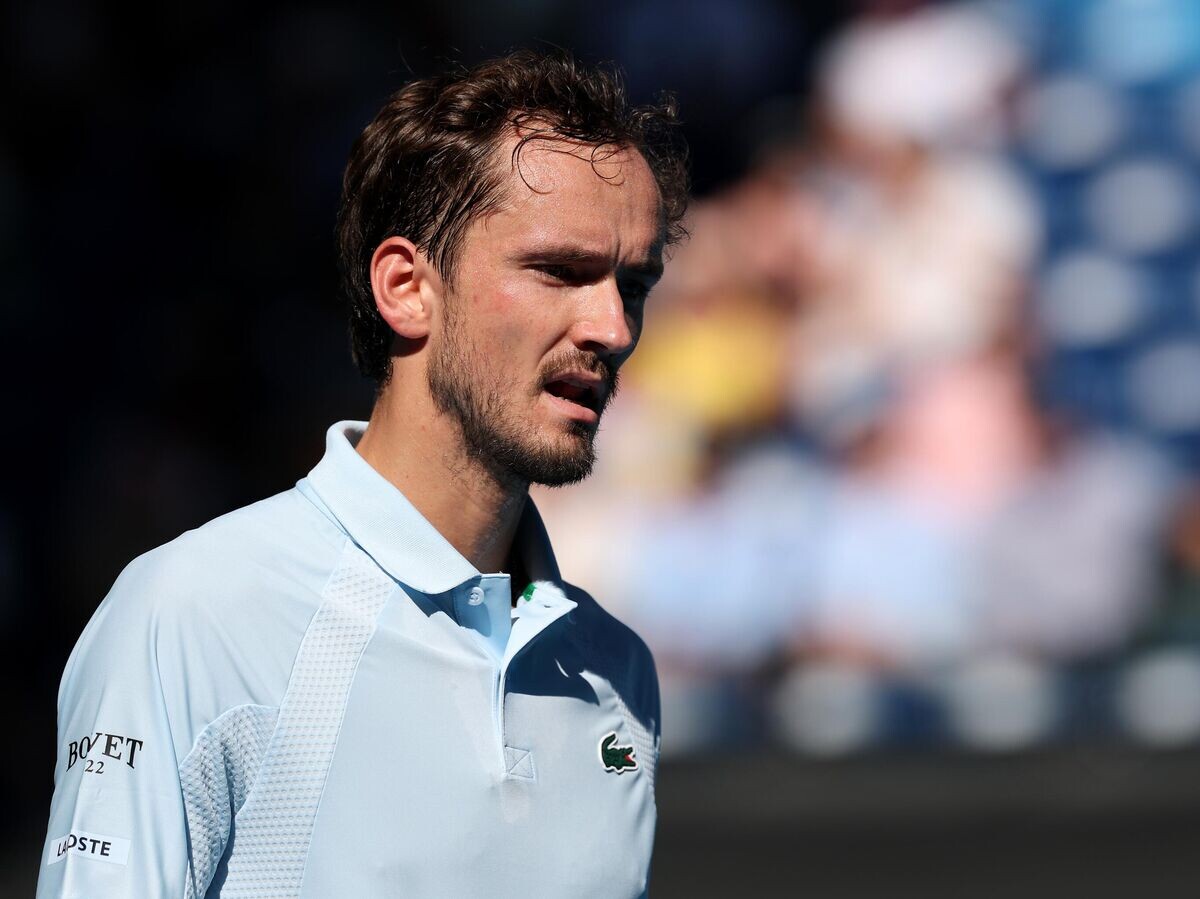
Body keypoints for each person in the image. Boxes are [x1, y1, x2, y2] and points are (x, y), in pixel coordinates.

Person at [37, 49, 689, 898]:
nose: (613, 326)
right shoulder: (190, 612)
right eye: (559, 271)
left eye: (632, 285)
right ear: (406, 288)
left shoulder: (617, 674)